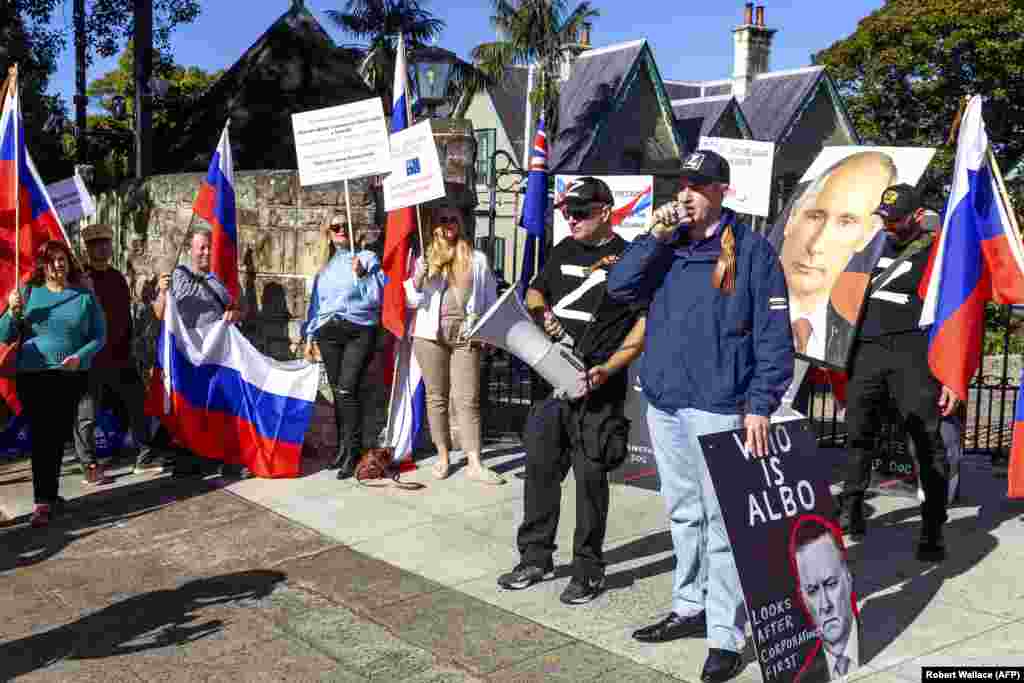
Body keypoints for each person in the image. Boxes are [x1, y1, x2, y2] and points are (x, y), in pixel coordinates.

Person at [607, 151, 794, 683]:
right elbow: (619, 290)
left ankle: (725, 636)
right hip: (666, 399)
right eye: (681, 185)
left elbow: (774, 337)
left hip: (718, 405)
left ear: (722, 192)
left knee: (723, 524)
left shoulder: (754, 251)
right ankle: (689, 606)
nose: (685, 194)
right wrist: (652, 238)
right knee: (684, 512)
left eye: (698, 185)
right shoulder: (666, 248)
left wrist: (761, 403)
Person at [496, 176, 647, 604]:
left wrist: (609, 366)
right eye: (566, 212)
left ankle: (587, 570)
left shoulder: (630, 258)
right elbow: (535, 288)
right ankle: (535, 557)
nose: (571, 218)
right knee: (541, 473)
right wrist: (542, 314)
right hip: (550, 384)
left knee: (590, 481)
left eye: (579, 212)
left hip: (598, 387)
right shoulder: (562, 249)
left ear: (604, 210)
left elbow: (642, 320)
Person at [839, 184, 958, 562]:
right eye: (884, 218)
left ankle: (932, 527)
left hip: (912, 354)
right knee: (858, 434)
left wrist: (952, 373)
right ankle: (851, 508)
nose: (889, 225)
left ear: (917, 216)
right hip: (868, 351)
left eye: (897, 219)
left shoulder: (935, 251)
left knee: (925, 443)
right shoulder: (871, 246)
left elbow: (955, 309)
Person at [0, 240, 106, 527]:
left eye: (63, 259)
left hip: (69, 376)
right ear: (42, 265)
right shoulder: (29, 293)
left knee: (57, 437)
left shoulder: (84, 296)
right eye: (53, 260)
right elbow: (4, 334)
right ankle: (42, 502)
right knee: (42, 436)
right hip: (33, 375)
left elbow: (99, 336)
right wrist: (12, 312)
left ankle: (49, 494)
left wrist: (79, 357)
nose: (59, 264)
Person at [405, 201, 503, 484]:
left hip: (465, 335)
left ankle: (474, 461)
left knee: (467, 399)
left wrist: (489, 332)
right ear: (434, 226)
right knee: (436, 397)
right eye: (442, 220)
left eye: (453, 220)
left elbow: (489, 301)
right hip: (429, 336)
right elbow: (412, 300)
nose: (448, 225)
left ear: (460, 225)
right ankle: (443, 455)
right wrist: (420, 275)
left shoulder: (477, 259)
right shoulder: (424, 258)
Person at [777, 152, 897, 366]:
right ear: (792, 216)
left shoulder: (850, 330)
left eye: (846, 222)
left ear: (867, 237)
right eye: (815, 216)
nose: (816, 245)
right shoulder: (745, 303)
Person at [153, 228, 248, 478]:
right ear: (191, 249)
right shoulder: (176, 277)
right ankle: (189, 459)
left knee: (215, 407)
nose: (205, 252)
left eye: (208, 247)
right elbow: (159, 313)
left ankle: (220, 457)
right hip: (185, 356)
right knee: (188, 408)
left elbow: (238, 312)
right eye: (201, 247)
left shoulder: (222, 281)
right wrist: (163, 292)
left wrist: (234, 315)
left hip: (214, 356)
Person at [73, 223, 162, 484]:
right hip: (92, 358)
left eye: (105, 243)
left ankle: (144, 458)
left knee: (137, 404)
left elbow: (125, 312)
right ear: (87, 248)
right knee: (87, 414)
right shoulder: (80, 278)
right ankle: (89, 465)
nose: (101, 247)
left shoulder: (116, 277)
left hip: (121, 355)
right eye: (95, 244)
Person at [302, 213, 384, 480]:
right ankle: (341, 448)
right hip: (329, 331)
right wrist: (309, 336)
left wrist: (362, 276)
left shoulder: (367, 258)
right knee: (338, 392)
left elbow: (377, 297)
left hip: (359, 329)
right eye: (335, 227)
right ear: (329, 233)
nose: (340, 230)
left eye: (345, 226)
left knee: (348, 389)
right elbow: (316, 304)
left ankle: (354, 450)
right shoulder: (325, 268)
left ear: (353, 229)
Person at [790, 515, 859, 682]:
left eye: (831, 584)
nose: (825, 605)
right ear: (803, 597)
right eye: (812, 590)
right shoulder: (801, 674)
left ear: (848, 578)